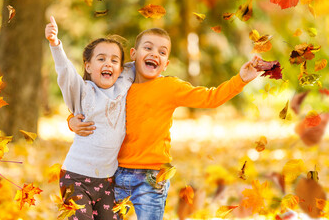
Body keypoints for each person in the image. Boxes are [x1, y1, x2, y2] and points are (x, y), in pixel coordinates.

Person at [69, 28, 261, 219]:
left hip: (152, 177)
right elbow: (85, 104)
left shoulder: (170, 87)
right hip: (115, 173)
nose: (154, 54)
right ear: (134, 54)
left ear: (166, 64)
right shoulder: (116, 84)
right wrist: (71, 121)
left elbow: (210, 98)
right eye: (148, 48)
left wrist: (241, 79)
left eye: (162, 52)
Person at [45, 16, 134, 220]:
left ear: (121, 69)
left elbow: (139, 65)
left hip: (109, 180)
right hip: (75, 177)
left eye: (114, 60)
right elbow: (65, 72)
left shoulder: (125, 85)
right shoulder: (83, 92)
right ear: (87, 66)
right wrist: (55, 44)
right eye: (101, 59)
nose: (108, 64)